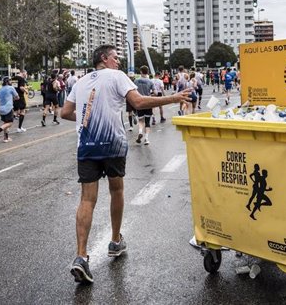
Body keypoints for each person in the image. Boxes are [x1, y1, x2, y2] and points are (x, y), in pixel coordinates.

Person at [60, 44, 193, 284]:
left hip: (87, 145)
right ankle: (115, 241)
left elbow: (65, 112)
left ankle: (81, 256)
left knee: (87, 199)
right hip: (112, 144)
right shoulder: (117, 76)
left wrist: (84, 118)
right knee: (116, 190)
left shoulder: (80, 82)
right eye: (115, 57)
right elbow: (139, 102)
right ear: (104, 58)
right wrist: (173, 98)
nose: (118, 62)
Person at [0, 77, 19, 143]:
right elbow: (17, 97)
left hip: (1, 109)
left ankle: (6, 138)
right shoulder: (11, 88)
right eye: (10, 81)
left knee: (5, 123)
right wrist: (12, 99)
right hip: (8, 108)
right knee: (10, 123)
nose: (11, 82)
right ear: (7, 82)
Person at [134, 66, 154, 145]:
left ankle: (140, 132)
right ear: (147, 72)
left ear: (141, 72)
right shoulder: (150, 81)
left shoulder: (136, 81)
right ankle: (146, 139)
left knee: (141, 120)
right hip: (148, 102)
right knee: (147, 122)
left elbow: (133, 90)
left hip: (140, 102)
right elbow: (155, 92)